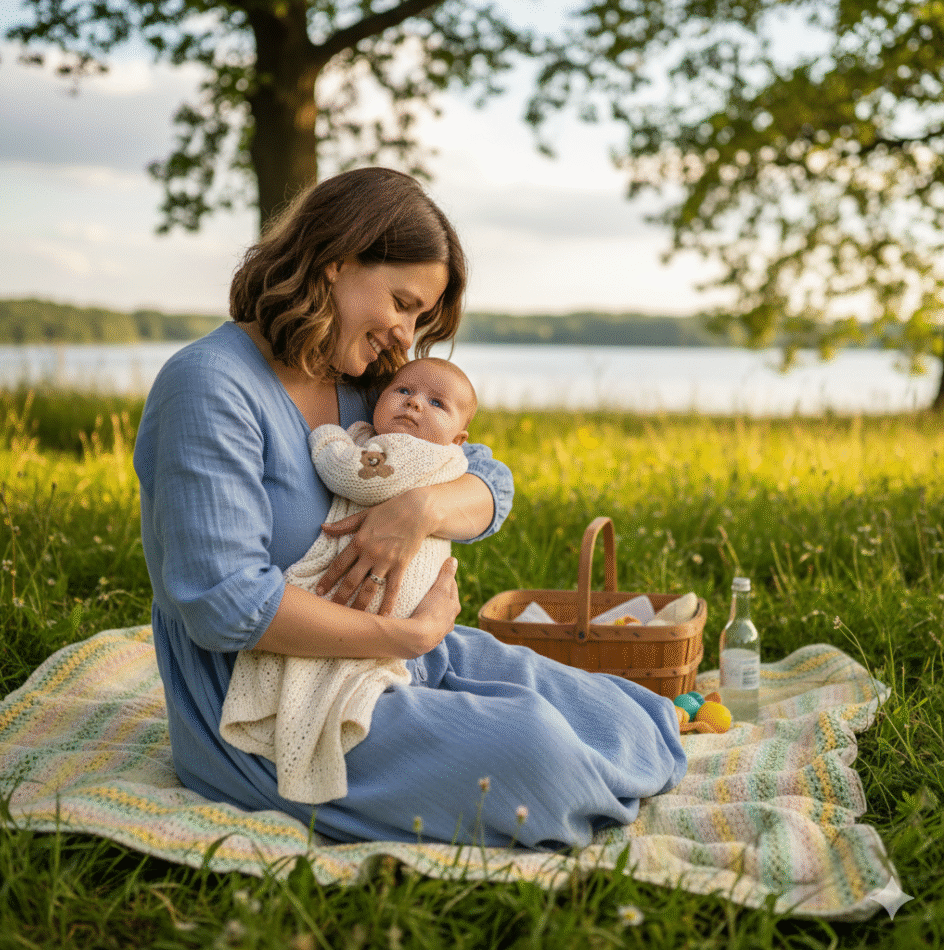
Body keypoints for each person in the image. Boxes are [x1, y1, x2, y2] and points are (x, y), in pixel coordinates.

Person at [133, 166, 686, 850]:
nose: (404, 335)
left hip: (401, 657)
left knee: (628, 716)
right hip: (270, 701)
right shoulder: (209, 386)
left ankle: (514, 742)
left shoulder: (359, 379)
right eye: (402, 303)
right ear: (336, 261)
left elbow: (489, 482)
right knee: (538, 756)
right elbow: (225, 605)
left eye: (419, 318)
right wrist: (405, 637)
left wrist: (419, 510)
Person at [219, 357, 480, 805]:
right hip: (397, 624)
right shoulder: (398, 445)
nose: (415, 404)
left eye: (436, 403)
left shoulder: (421, 453)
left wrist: (327, 437)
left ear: (458, 439)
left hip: (387, 604)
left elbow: (360, 478)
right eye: (403, 391)